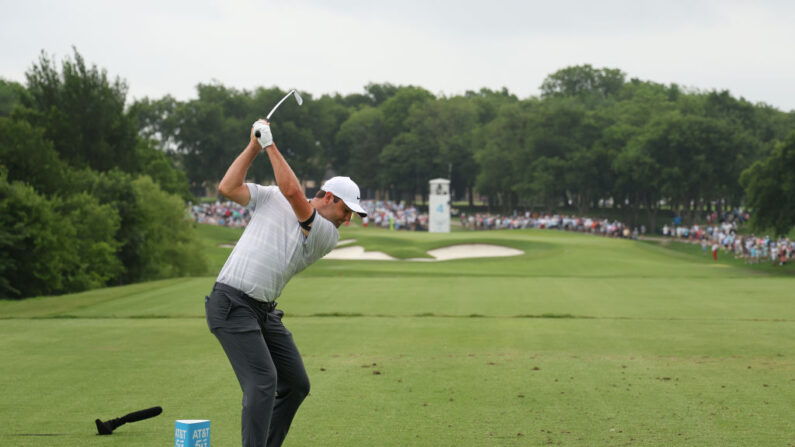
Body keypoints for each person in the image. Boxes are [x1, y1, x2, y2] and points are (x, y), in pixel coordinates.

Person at [204, 119, 366, 447]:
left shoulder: (326, 234)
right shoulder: (272, 196)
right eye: (347, 210)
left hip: (261, 311)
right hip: (231, 302)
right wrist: (253, 145)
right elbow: (228, 188)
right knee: (263, 381)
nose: (348, 220)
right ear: (330, 197)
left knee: (295, 384)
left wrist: (269, 145)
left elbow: (293, 192)